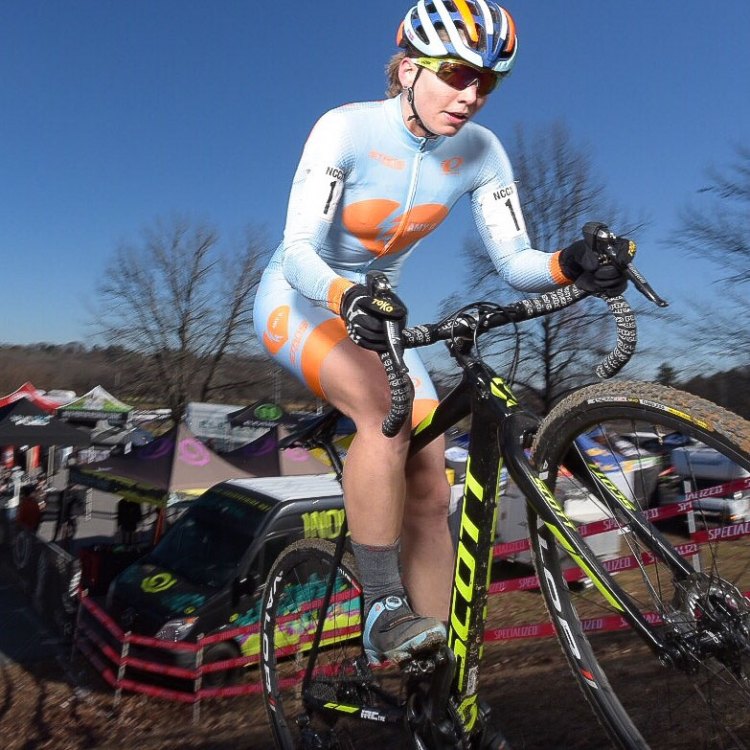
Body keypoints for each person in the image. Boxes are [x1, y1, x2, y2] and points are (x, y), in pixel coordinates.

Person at [253, 0, 631, 665]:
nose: (471, 96)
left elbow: (516, 263)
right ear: (406, 69)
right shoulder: (344, 129)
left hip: (380, 310)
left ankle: (440, 675)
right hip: (304, 297)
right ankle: (379, 611)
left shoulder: (481, 152)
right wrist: (346, 295)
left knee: (431, 486)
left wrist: (572, 263)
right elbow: (297, 251)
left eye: (486, 83)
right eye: (456, 74)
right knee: (383, 418)